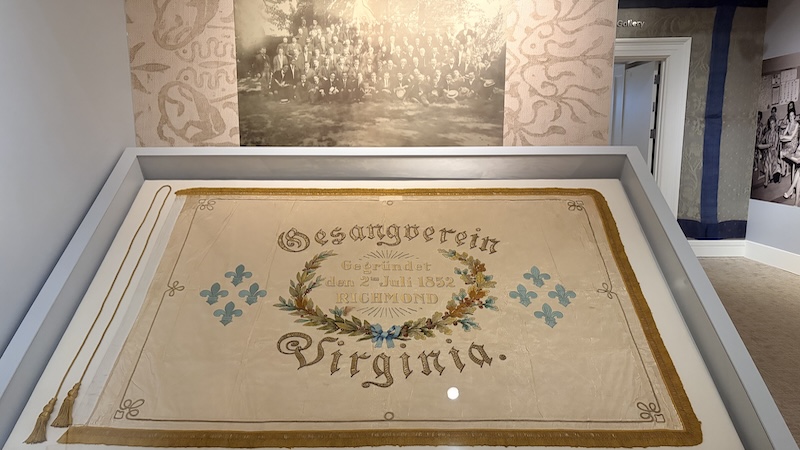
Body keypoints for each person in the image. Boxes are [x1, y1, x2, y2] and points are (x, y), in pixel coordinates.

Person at [758, 116, 780, 187]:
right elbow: (762, 140)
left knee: (768, 157)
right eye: (770, 124)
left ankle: (767, 180)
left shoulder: (776, 134)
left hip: (773, 152)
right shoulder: (767, 133)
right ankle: (769, 177)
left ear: (775, 124)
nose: (771, 125)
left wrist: (769, 147)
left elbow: (775, 146)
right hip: (767, 152)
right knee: (767, 158)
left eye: (773, 123)